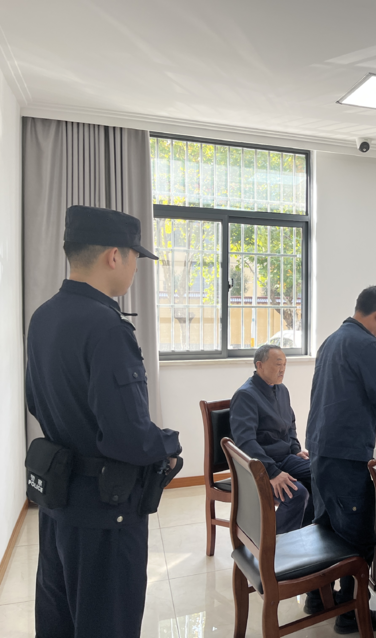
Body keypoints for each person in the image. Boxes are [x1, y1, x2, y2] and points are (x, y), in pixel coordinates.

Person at [25, 205, 182, 638]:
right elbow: (129, 437)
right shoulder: (107, 327)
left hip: (58, 501)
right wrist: (170, 445)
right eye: (135, 257)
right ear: (115, 256)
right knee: (107, 624)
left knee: (59, 622)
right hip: (105, 513)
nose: (135, 268)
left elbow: (35, 401)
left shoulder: (43, 316)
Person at [305, 286, 376, 634]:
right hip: (345, 454)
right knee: (357, 535)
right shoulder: (366, 344)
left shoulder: (332, 340)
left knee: (326, 527)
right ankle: (350, 614)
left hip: (321, 447)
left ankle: (317, 598)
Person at [230, 344, 311, 534]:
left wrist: (295, 449)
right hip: (261, 465)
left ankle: (304, 535)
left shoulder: (282, 390)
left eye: (285, 364)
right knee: (297, 493)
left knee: (321, 474)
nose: (282, 369)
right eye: (277, 364)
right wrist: (272, 472)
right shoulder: (245, 395)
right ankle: (275, 544)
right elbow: (245, 442)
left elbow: (290, 424)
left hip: (285, 458)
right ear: (260, 365)